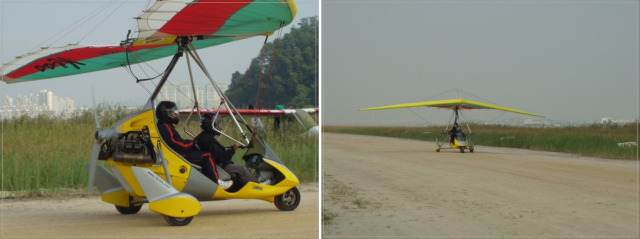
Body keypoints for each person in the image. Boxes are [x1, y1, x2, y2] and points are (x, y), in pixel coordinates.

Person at [155, 101, 233, 190]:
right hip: (179, 155)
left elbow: (176, 142)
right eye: (173, 112)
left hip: (176, 153)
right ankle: (215, 182)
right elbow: (176, 143)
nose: (176, 114)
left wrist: (191, 143)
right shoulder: (165, 127)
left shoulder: (164, 126)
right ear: (166, 113)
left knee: (201, 153)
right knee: (207, 155)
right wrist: (193, 143)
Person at [194, 113, 262, 185]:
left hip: (217, 165)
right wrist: (233, 149)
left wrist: (234, 147)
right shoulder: (208, 139)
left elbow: (217, 151)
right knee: (240, 169)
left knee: (237, 167)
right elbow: (221, 157)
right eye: (217, 123)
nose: (219, 125)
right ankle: (260, 186)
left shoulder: (203, 137)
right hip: (220, 167)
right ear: (210, 124)